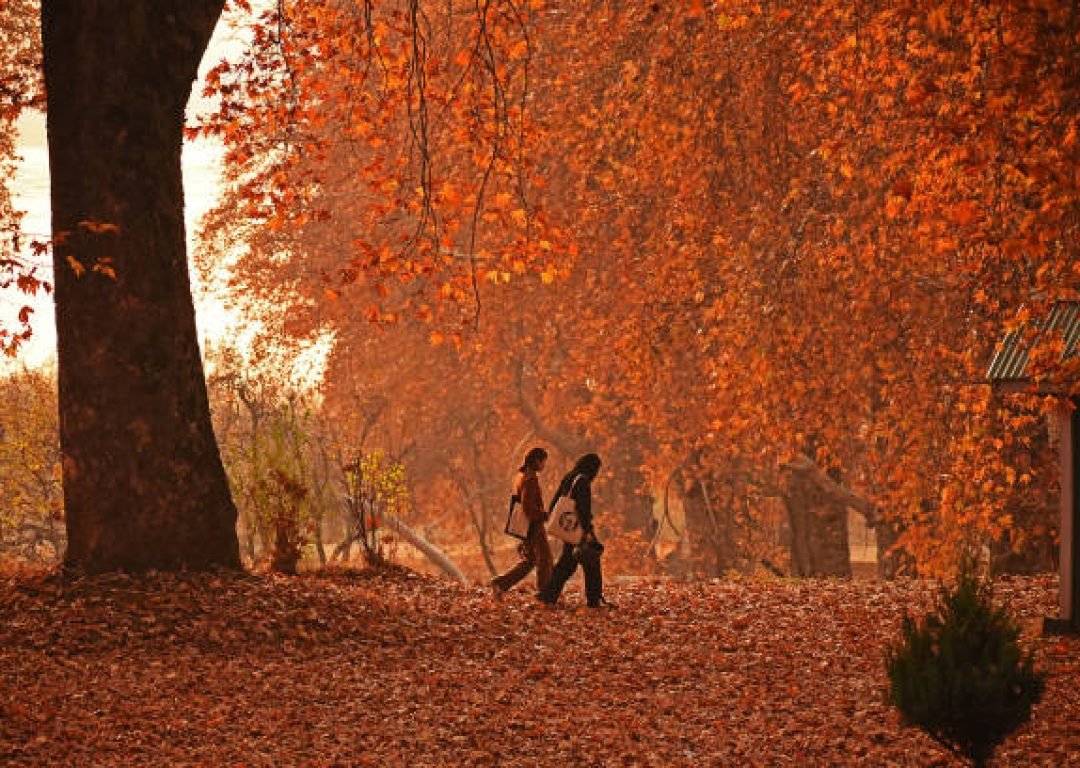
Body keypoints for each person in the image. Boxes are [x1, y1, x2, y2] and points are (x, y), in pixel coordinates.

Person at [538, 453, 609, 608]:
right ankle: (594, 600)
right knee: (592, 560)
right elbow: (583, 508)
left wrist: (555, 518)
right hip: (578, 528)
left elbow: (556, 501)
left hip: (567, 527)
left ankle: (547, 595)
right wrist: (588, 530)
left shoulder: (570, 477)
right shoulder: (583, 481)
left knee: (567, 564)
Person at [491, 447, 553, 598]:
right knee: (545, 558)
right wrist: (544, 515)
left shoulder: (523, 475)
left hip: (529, 525)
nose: (544, 465)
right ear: (537, 461)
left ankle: (501, 583)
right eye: (544, 462)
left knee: (530, 560)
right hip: (534, 525)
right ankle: (544, 593)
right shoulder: (530, 479)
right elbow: (528, 507)